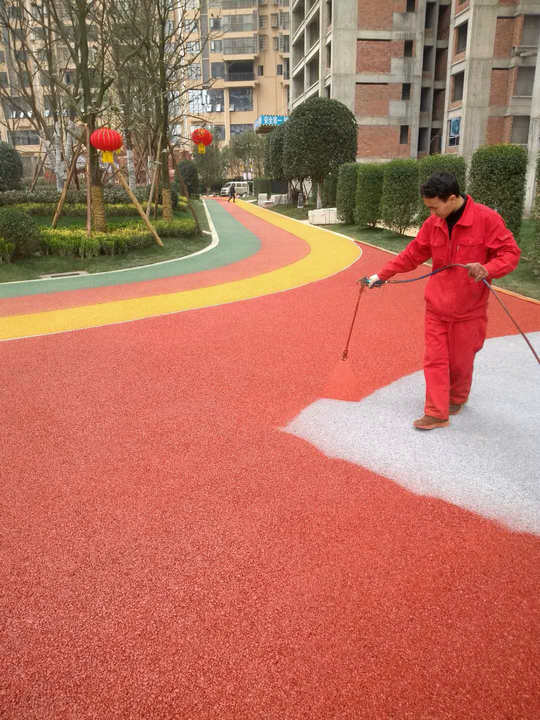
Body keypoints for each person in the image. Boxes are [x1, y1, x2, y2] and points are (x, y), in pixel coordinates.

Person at [365, 171, 520, 430]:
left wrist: (487, 268)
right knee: (435, 359)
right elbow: (412, 254)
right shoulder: (433, 224)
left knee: (461, 361)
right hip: (436, 306)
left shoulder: (487, 219)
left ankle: (457, 397)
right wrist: (381, 275)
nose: (432, 213)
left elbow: (510, 254)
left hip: (469, 310)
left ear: (452, 198)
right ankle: (436, 412)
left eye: (435, 207)